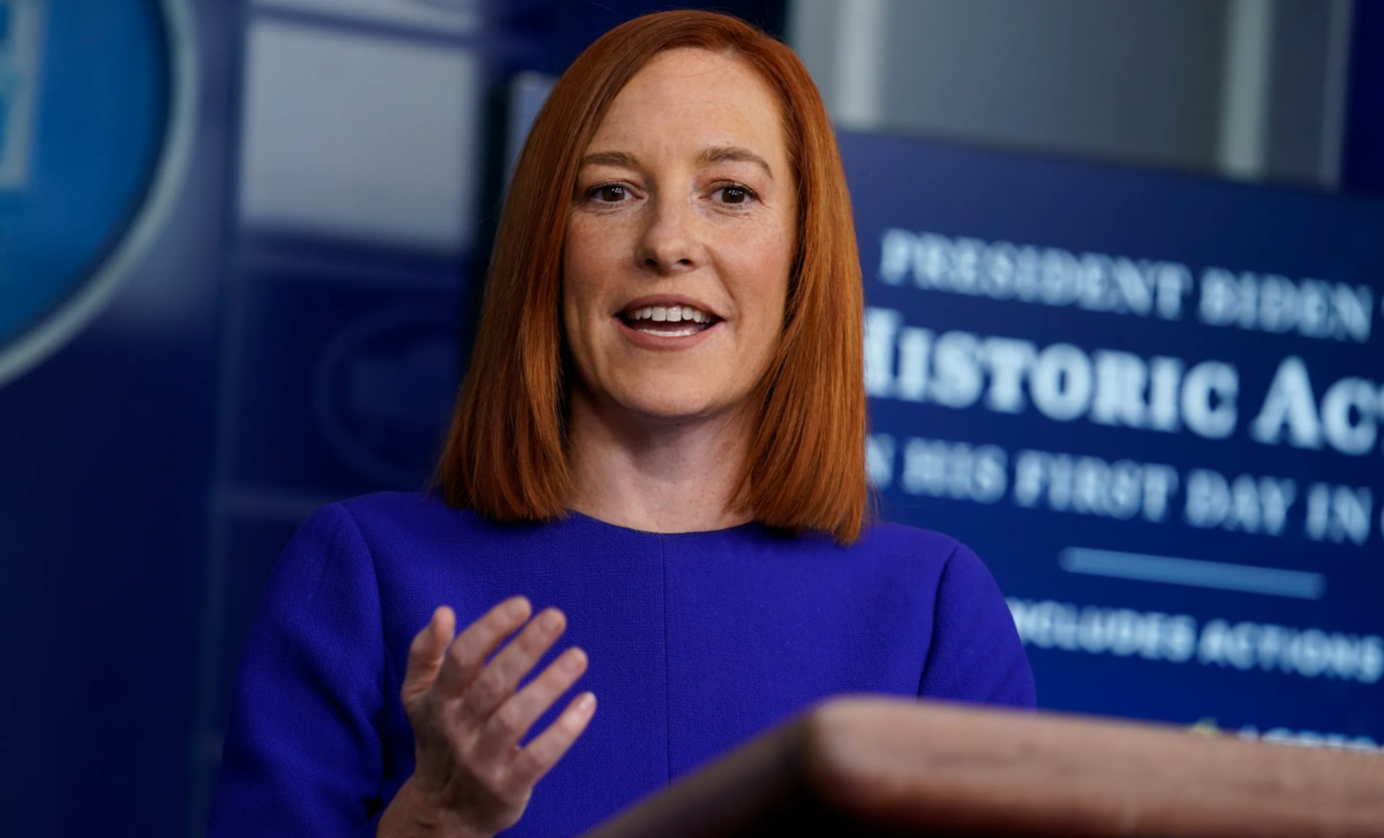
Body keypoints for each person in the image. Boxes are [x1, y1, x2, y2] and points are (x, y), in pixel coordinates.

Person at [206, 10, 1035, 838]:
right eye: (611, 192)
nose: (668, 242)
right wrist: (430, 826)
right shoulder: (365, 573)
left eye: (731, 193)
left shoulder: (934, 610)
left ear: (803, 257)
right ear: (545, 247)